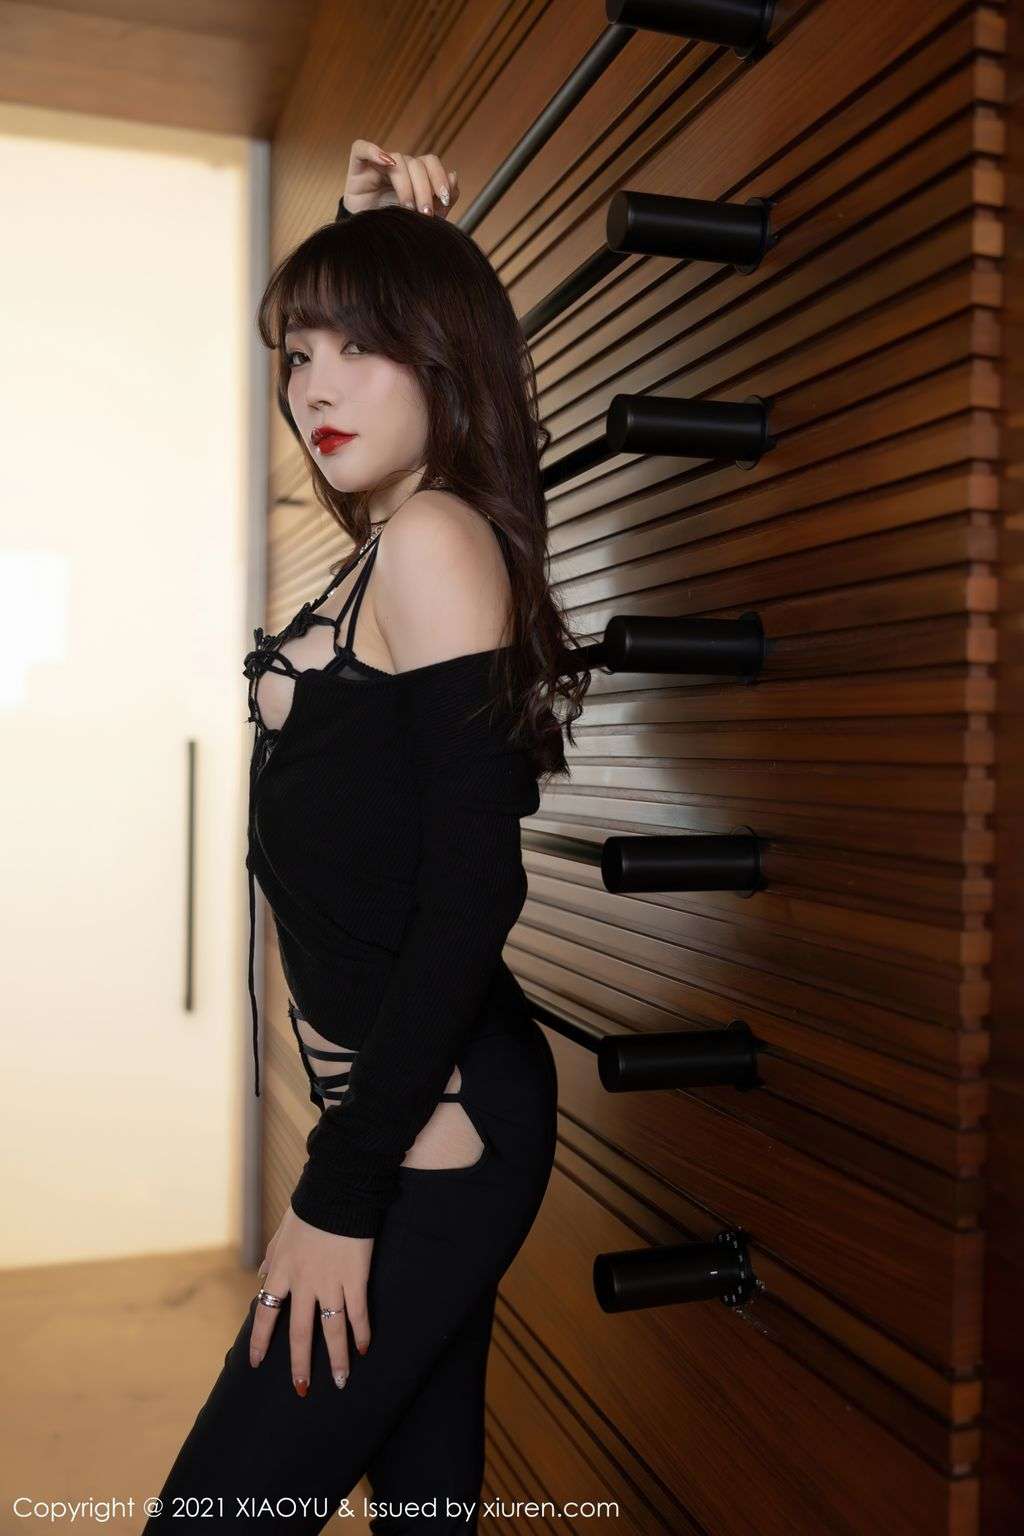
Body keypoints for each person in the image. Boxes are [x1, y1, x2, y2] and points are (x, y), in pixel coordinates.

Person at [143, 142, 590, 1533]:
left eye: (360, 348)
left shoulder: (431, 540)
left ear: (442, 356)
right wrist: (367, 245)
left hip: (429, 1131)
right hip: (400, 1111)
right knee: (426, 1507)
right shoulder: (389, 543)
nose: (314, 388)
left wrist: (338, 1196)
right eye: (298, 355)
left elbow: (473, 889)